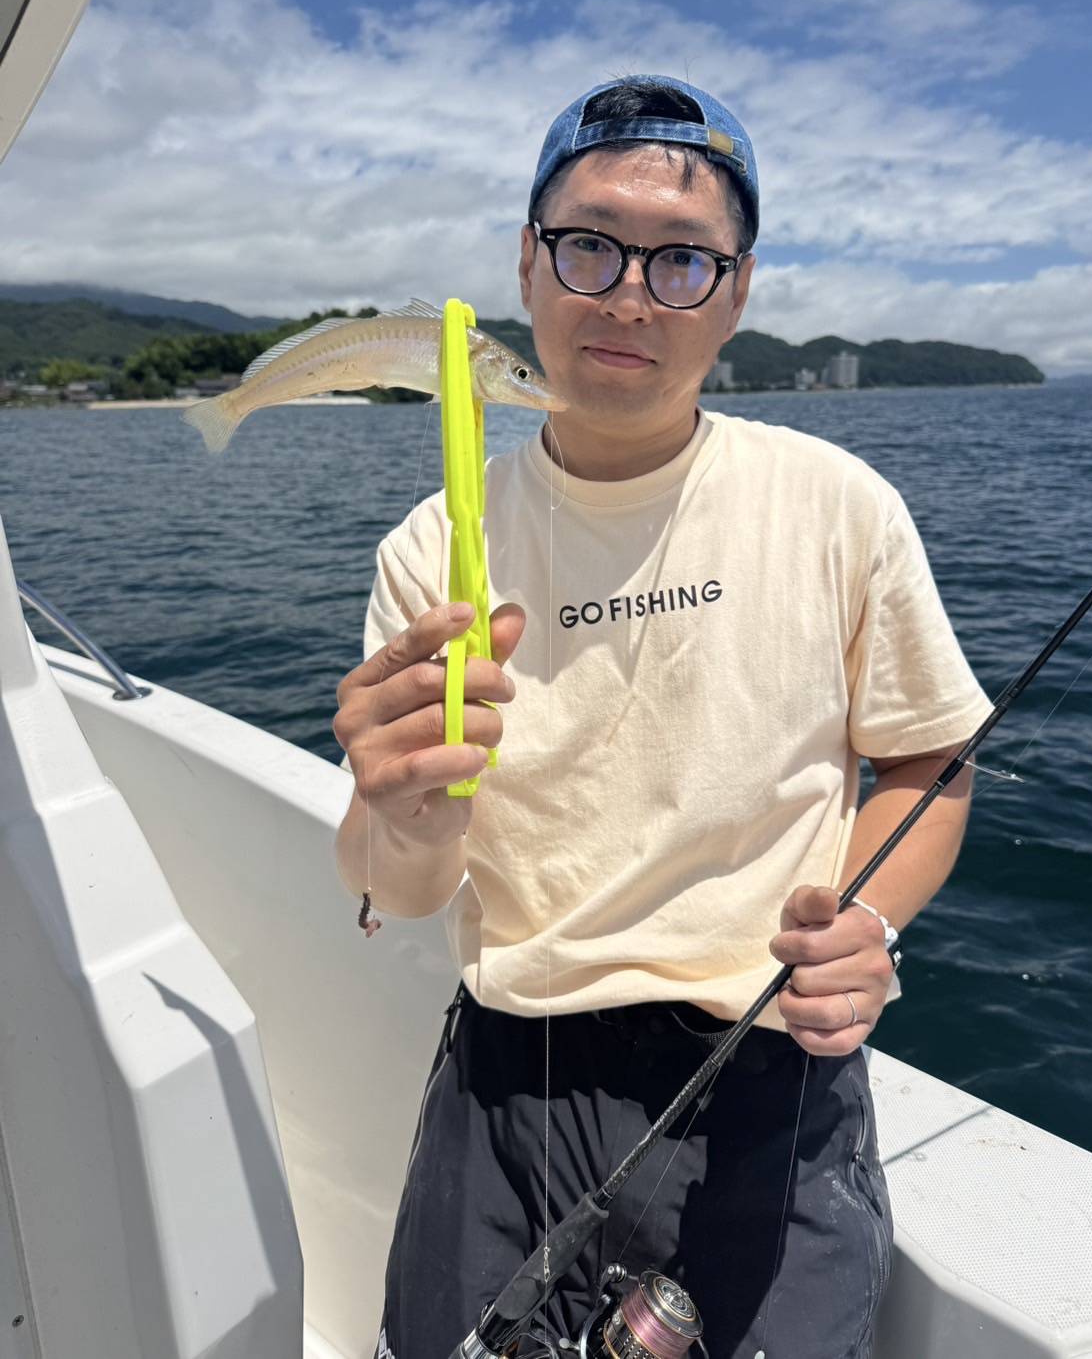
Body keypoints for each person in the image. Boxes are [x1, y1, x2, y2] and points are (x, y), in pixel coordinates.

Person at [333, 75, 993, 1359]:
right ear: (528, 264)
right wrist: (400, 809)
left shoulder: (836, 504)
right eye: (590, 245)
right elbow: (399, 888)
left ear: (736, 294)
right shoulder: (433, 549)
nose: (629, 295)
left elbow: (928, 757)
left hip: (769, 1066)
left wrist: (864, 921)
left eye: (683, 260)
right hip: (509, 1073)